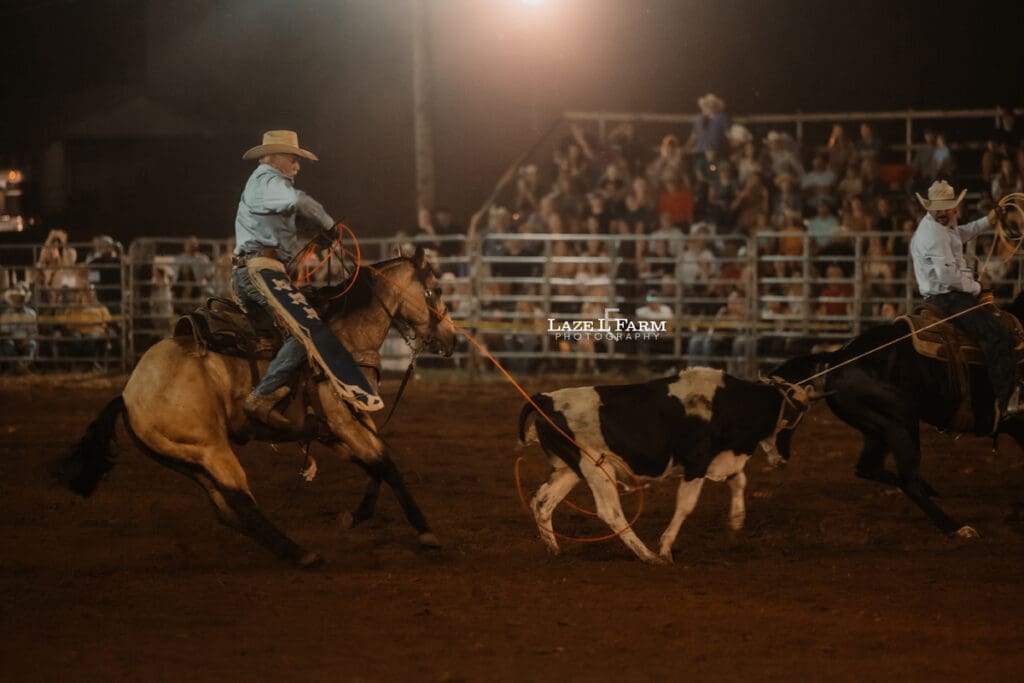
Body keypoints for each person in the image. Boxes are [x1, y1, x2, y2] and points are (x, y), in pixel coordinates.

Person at [233, 130, 382, 428]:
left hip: (262, 267)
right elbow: (299, 201)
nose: (297, 167)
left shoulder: (264, 186)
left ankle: (293, 397)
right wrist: (329, 224)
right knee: (310, 327)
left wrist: (317, 234)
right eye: (293, 159)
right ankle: (263, 395)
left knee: (298, 326)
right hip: (260, 269)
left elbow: (285, 224)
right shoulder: (268, 180)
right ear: (274, 158)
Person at [909, 180, 1019, 421]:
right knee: (996, 331)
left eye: (947, 207)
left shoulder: (940, 224)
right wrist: (978, 287)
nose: (943, 212)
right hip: (948, 298)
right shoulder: (935, 234)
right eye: (939, 208)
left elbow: (960, 234)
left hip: (946, 293)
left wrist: (987, 221)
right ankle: (1007, 399)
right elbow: (949, 278)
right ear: (931, 208)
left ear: (953, 208)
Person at [1, 284, 39, 373]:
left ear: (24, 299)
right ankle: (21, 368)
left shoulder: (31, 313)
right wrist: (15, 340)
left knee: (32, 344)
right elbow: (5, 332)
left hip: (26, 339)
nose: (18, 300)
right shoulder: (6, 314)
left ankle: (19, 368)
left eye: (20, 297)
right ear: (12, 299)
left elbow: (33, 332)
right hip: (11, 339)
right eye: (16, 297)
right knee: (8, 344)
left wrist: (25, 340)